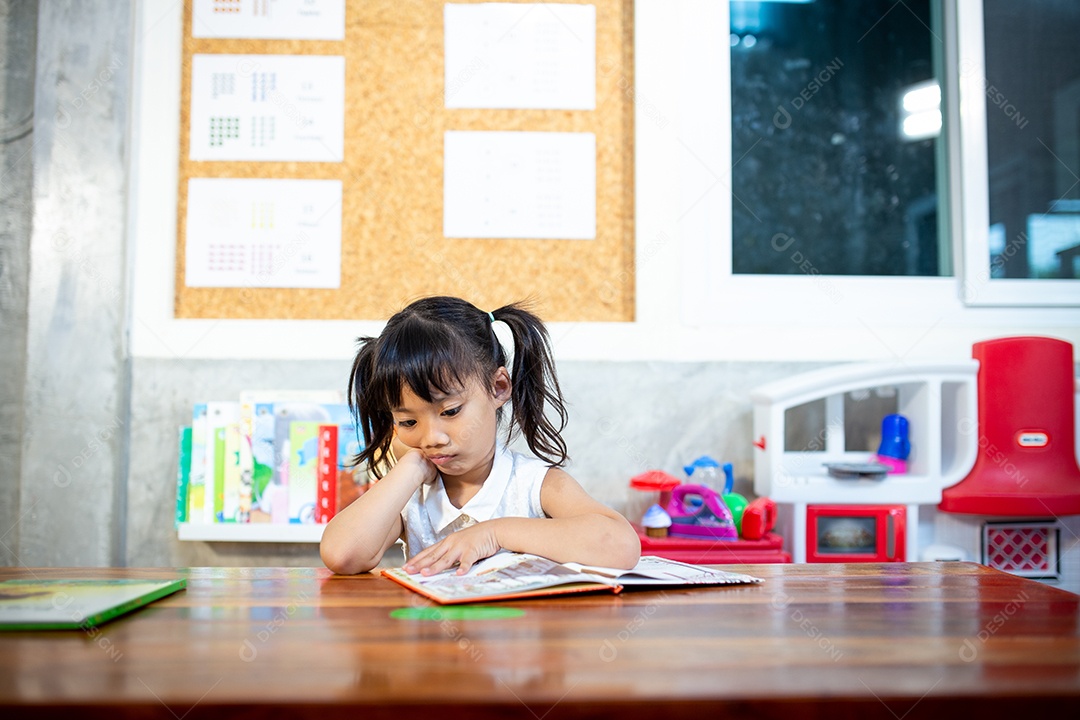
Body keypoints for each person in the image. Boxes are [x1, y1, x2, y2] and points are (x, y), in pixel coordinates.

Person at [320, 296, 641, 576]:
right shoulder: (412, 497)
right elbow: (342, 555)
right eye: (407, 421)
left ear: (498, 387)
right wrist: (411, 467)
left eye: (450, 412)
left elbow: (620, 546)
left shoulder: (534, 485)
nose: (432, 437)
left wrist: (496, 533)